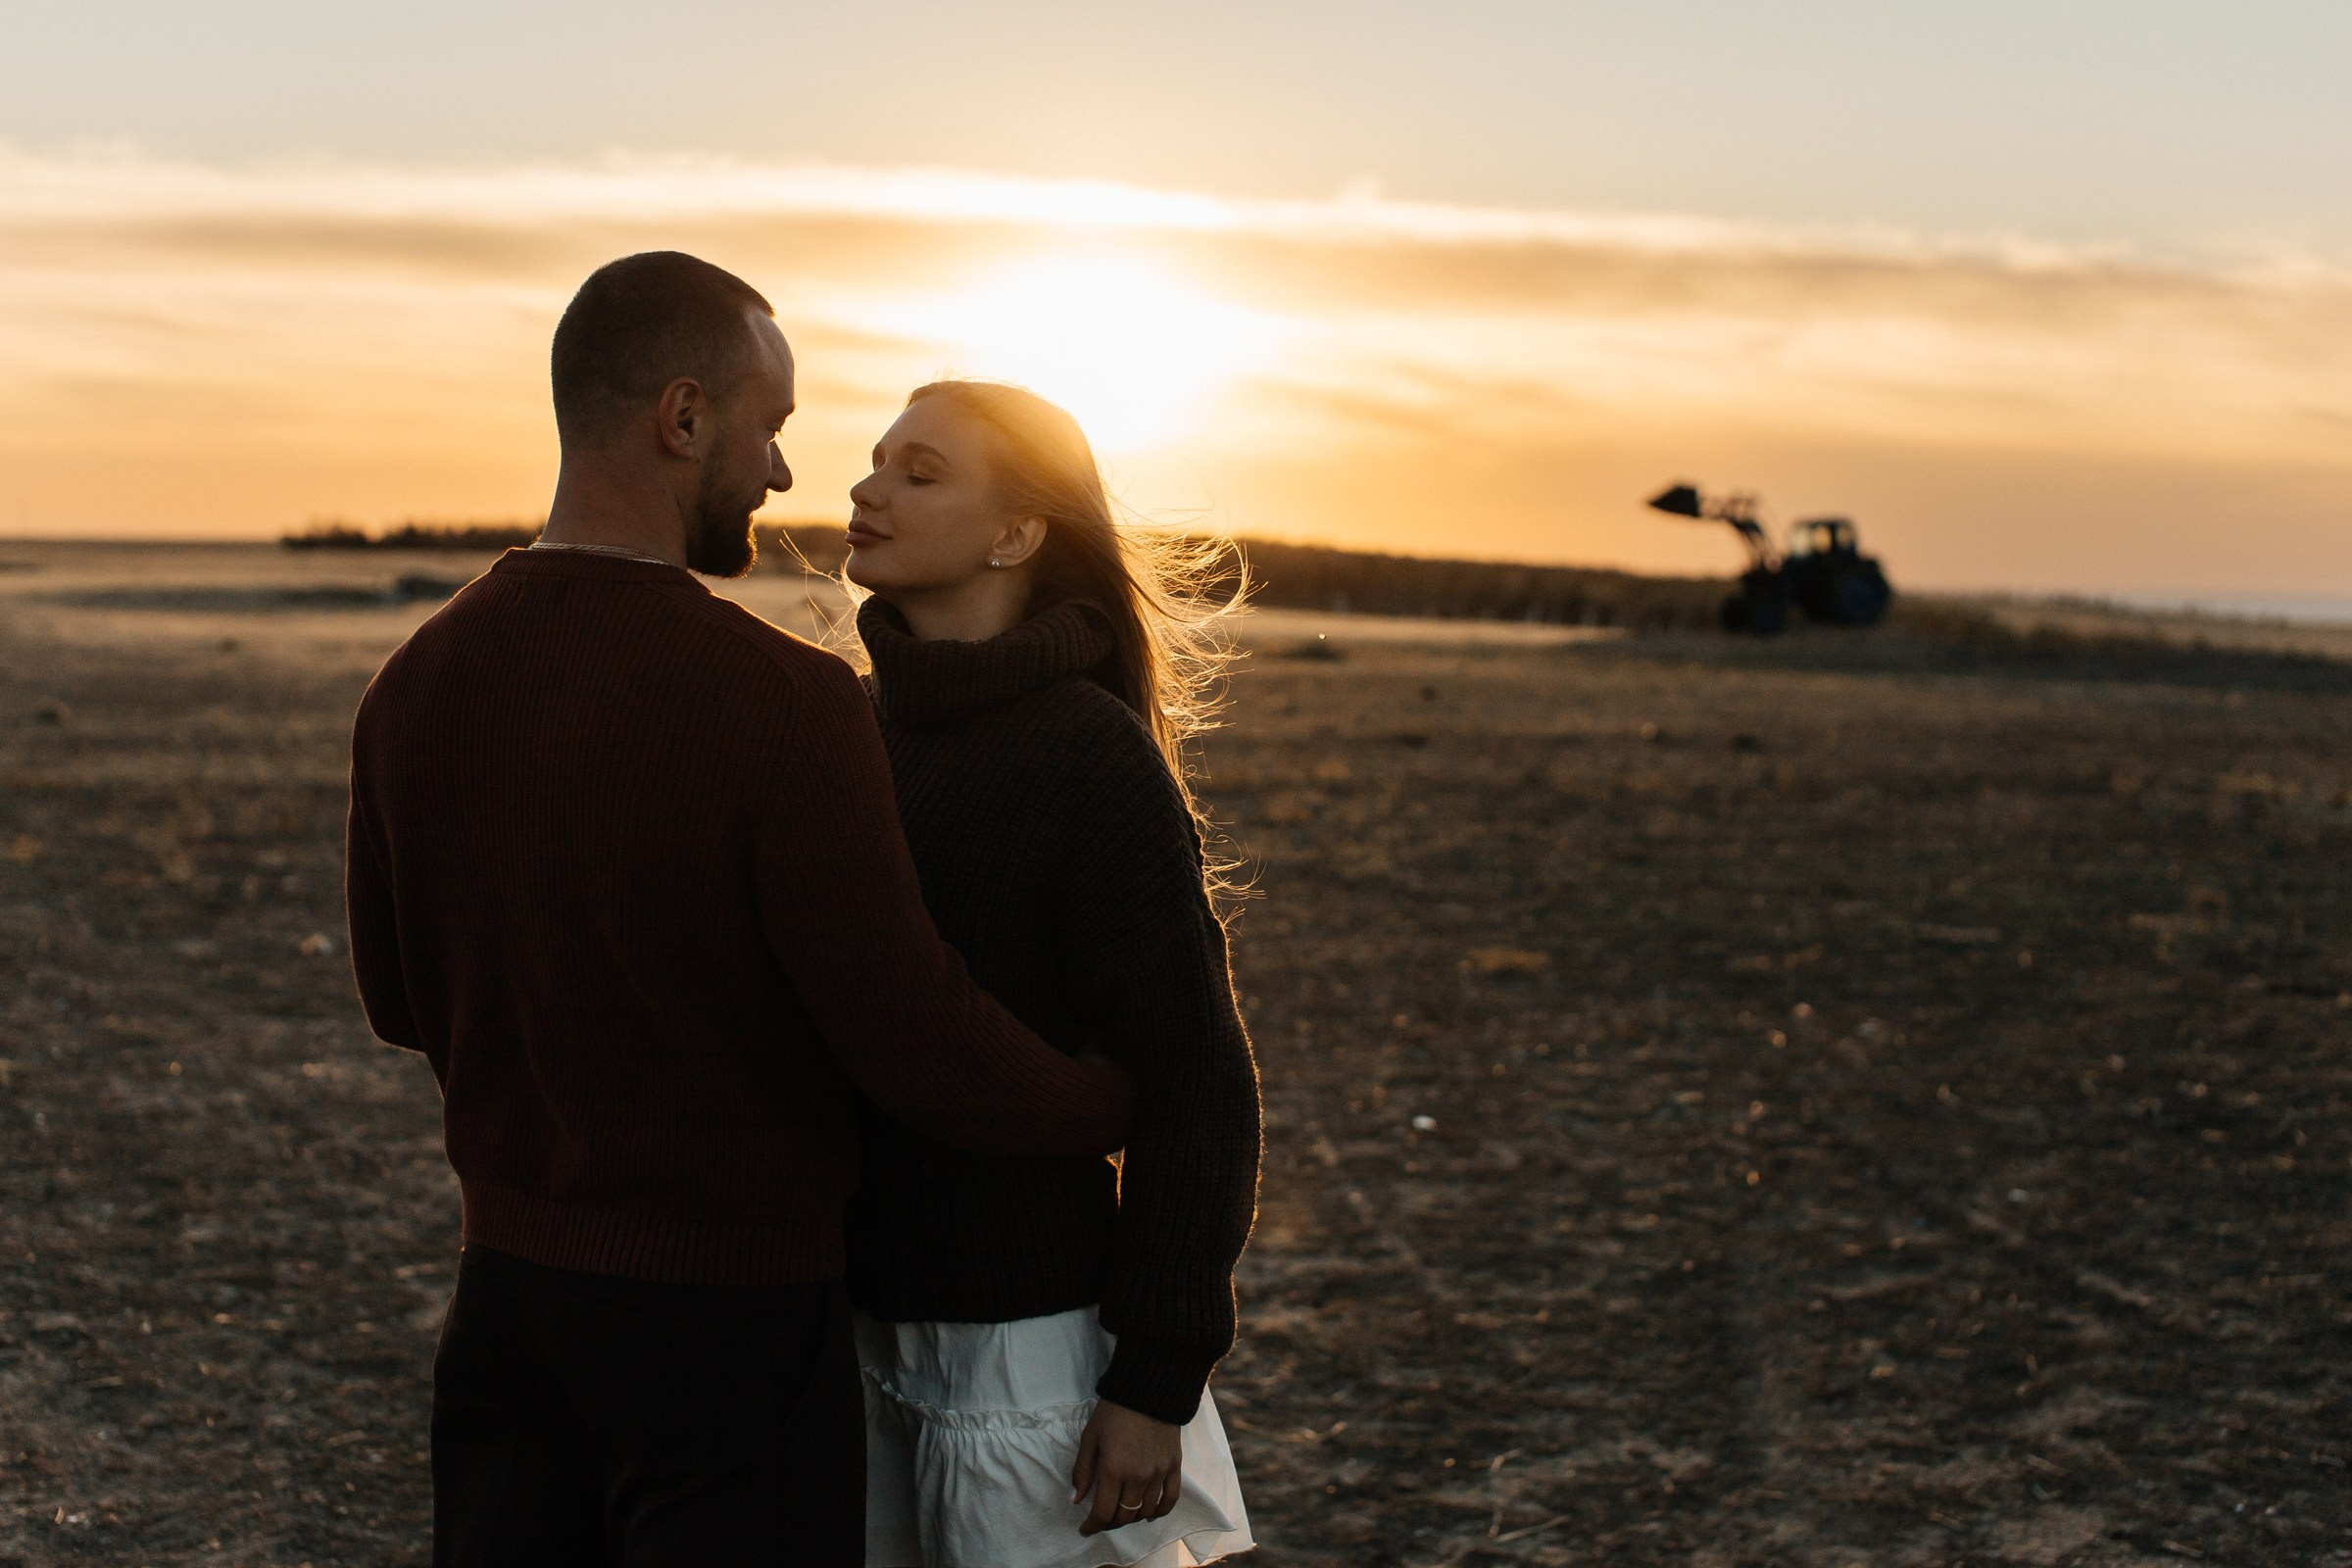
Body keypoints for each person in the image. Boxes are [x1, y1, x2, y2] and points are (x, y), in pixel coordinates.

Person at [343, 253, 1134, 1566]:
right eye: (771, 427)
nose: (780, 475)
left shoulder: (415, 680)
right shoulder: (784, 705)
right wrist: (1116, 1098)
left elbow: (395, 1000)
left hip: (507, 1309)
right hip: (730, 1333)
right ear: (686, 417)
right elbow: (916, 1038)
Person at [841, 380, 1261, 1568]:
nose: (868, 488)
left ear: (1018, 532)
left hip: (1023, 1361)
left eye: (920, 472)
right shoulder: (846, 732)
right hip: (846, 1336)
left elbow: (1197, 1080)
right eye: (874, 461)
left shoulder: (1089, 756)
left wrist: (1155, 1381)